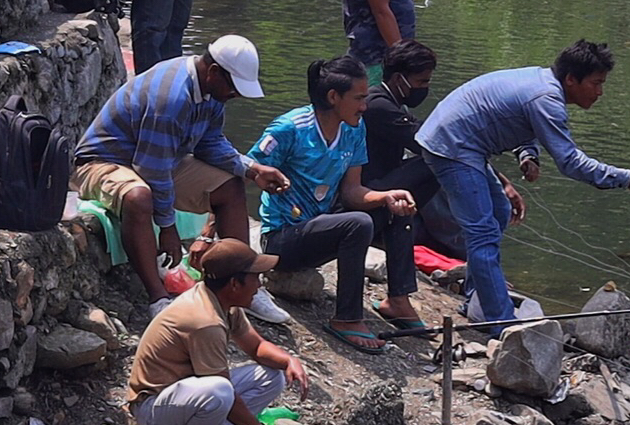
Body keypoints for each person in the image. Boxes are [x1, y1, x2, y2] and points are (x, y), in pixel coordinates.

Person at [416, 40, 630, 327]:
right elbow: (571, 162)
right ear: (571, 79)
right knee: (483, 233)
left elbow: (517, 116)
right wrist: (626, 178)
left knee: (499, 212)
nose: (600, 92)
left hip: (460, 142)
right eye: (596, 83)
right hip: (453, 147)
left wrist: (527, 155)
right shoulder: (546, 98)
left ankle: (478, 297)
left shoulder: (541, 82)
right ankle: (499, 323)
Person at [74, 35, 290, 297]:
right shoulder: (171, 98)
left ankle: (241, 279)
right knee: (139, 197)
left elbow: (210, 144)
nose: (235, 95)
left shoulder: (211, 93)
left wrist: (252, 169)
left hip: (156, 158)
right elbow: (151, 170)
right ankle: (157, 298)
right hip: (103, 162)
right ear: (214, 72)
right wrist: (168, 228)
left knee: (230, 187)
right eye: (234, 87)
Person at [250, 56, 425, 351]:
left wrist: (386, 197)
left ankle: (398, 299)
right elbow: (241, 171)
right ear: (333, 97)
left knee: (392, 207)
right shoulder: (289, 129)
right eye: (358, 98)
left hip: (322, 226)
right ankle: (346, 318)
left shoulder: (354, 130)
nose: (364, 106)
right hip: (283, 238)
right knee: (356, 223)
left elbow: (352, 192)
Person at [127, 237, 308, 425]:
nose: (258, 286)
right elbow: (226, 393)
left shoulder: (224, 303)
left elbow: (256, 347)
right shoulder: (205, 321)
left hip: (182, 397)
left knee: (273, 376)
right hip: (154, 411)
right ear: (234, 284)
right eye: (255, 277)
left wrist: (289, 360)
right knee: (221, 390)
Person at [364, 39, 498, 262]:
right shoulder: (378, 105)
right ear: (399, 79)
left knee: (442, 158)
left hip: (384, 182)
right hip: (368, 190)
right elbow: (430, 142)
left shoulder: (393, 103)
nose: (425, 88)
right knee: (435, 160)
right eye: (421, 81)